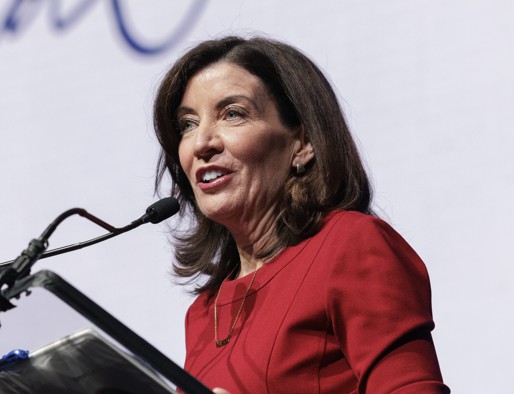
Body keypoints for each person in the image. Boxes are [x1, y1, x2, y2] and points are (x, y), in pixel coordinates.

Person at [152, 36, 448, 393]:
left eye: (233, 114)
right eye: (188, 124)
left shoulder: (350, 245)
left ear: (303, 143)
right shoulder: (204, 313)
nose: (202, 143)